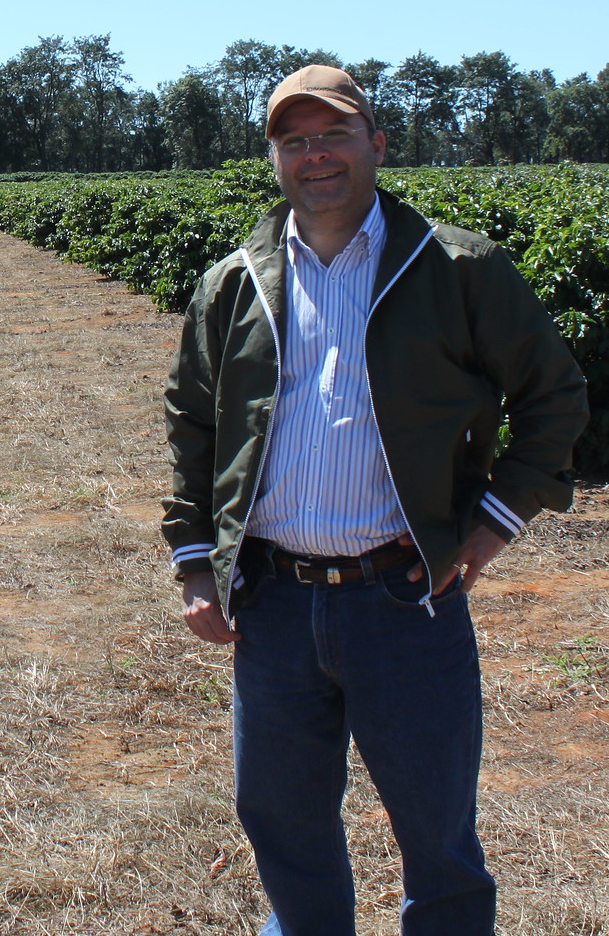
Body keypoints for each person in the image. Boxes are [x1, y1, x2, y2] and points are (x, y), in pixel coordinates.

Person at [162, 65, 587, 936]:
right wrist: (195, 558)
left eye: (333, 135)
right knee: (283, 825)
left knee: (437, 837)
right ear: (272, 156)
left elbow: (554, 393)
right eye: (293, 140)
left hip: (405, 600)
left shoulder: (458, 267)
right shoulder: (233, 283)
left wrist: (497, 518)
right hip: (273, 606)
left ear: (376, 145)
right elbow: (193, 425)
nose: (313, 156)